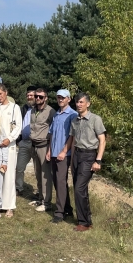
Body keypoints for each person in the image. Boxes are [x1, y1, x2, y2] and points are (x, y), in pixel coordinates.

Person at [64, 93, 106, 231]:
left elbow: (102, 140)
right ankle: (88, 220)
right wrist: (70, 158)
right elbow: (73, 139)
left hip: (89, 156)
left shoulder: (95, 119)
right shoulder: (75, 120)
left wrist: (98, 161)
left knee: (79, 188)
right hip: (77, 155)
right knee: (81, 189)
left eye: (81, 102)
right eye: (77, 102)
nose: (78, 104)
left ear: (88, 104)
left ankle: (83, 223)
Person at [46, 89, 78, 223]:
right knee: (58, 182)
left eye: (63, 98)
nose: (60, 100)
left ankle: (59, 213)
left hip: (64, 154)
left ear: (69, 99)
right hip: (54, 153)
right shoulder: (57, 114)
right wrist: (49, 150)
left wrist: (64, 151)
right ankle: (67, 208)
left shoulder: (73, 114)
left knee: (60, 181)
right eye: (59, 97)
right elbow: (52, 133)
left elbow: (72, 135)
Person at [0, 84, 21, 218]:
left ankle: (9, 206)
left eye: (1, 94)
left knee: (9, 176)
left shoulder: (15, 108)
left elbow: (18, 127)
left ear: (6, 92)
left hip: (9, 145)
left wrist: (9, 139)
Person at [29, 88, 55, 212]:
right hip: (34, 145)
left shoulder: (50, 111)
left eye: (40, 97)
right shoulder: (33, 110)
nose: (38, 98)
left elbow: (53, 132)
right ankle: (40, 198)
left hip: (44, 146)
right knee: (38, 174)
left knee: (46, 176)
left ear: (46, 98)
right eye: (36, 96)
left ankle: (47, 202)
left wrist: (50, 149)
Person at [15, 87, 36, 195]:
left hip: (36, 144)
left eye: (31, 95)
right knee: (19, 167)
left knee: (38, 170)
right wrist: (18, 140)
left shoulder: (40, 109)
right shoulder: (24, 108)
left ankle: (40, 192)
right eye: (27, 95)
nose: (29, 97)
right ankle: (19, 187)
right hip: (24, 142)